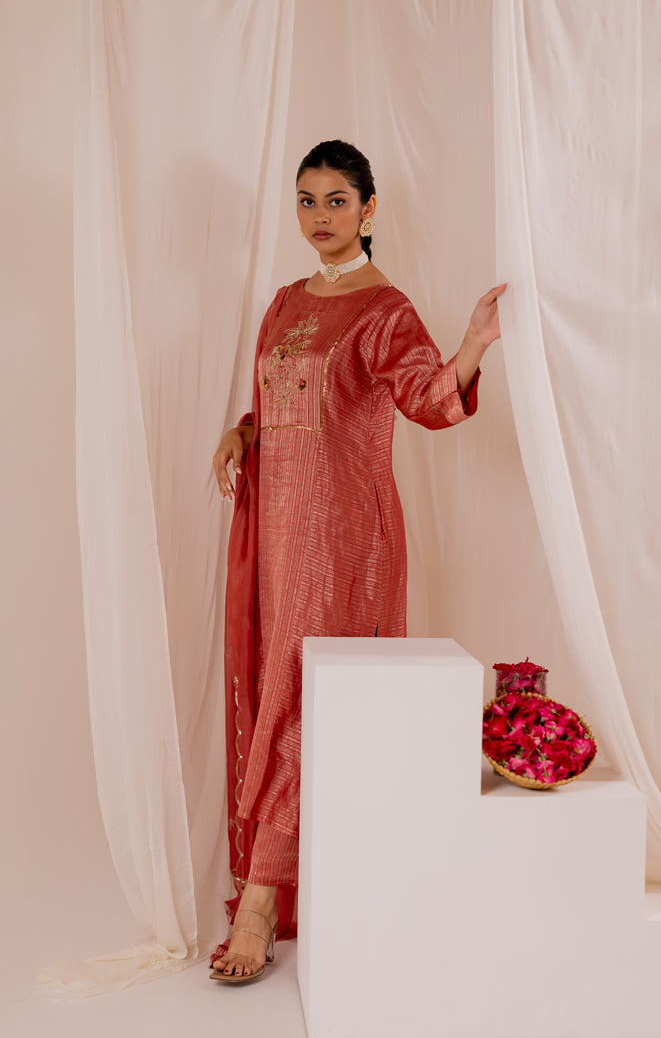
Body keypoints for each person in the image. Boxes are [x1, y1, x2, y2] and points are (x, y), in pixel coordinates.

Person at [209, 139, 505, 983]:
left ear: (369, 210)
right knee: (281, 686)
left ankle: (260, 904)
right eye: (307, 201)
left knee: (306, 699)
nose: (320, 217)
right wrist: (241, 432)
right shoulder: (283, 302)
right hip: (277, 532)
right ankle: (302, 882)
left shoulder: (385, 309)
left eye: (337, 201)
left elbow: (427, 399)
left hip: (345, 535)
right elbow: (276, 401)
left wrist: (472, 345)